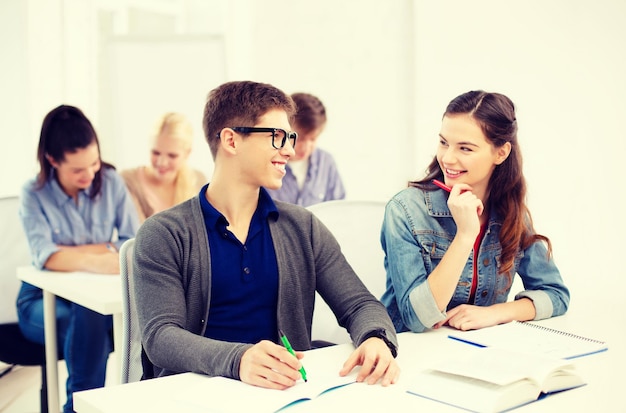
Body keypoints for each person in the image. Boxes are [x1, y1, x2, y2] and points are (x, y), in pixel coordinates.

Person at [133, 80, 400, 390]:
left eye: (289, 137)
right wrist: (239, 360)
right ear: (231, 141)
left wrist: (375, 338)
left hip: (285, 393)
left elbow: (359, 305)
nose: (289, 150)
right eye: (276, 137)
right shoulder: (164, 234)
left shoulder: (303, 227)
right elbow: (161, 337)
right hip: (193, 394)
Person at [380, 90, 570, 334]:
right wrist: (465, 234)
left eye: (465, 149)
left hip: (477, 351)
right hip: (409, 350)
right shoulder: (405, 209)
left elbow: (556, 295)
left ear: (501, 153)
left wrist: (494, 314)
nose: (447, 158)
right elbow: (416, 319)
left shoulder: (511, 212)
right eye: (443, 143)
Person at [16, 105, 139, 413]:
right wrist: (99, 255)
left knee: (94, 315)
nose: (89, 175)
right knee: (88, 317)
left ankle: (79, 406)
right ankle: (82, 405)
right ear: (53, 160)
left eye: (94, 163)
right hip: (40, 302)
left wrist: (69, 254)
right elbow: (46, 256)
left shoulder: (111, 182)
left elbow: (130, 244)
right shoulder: (34, 193)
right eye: (77, 170)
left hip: (95, 303)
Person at [121, 112, 206, 223]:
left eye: (172, 156)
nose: (162, 163)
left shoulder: (198, 180)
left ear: (187, 153)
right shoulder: (129, 180)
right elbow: (137, 235)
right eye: (156, 153)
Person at [265, 92, 345, 206]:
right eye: (300, 138)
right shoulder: (267, 162)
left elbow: (338, 209)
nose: (306, 148)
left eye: (313, 139)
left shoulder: (326, 162)